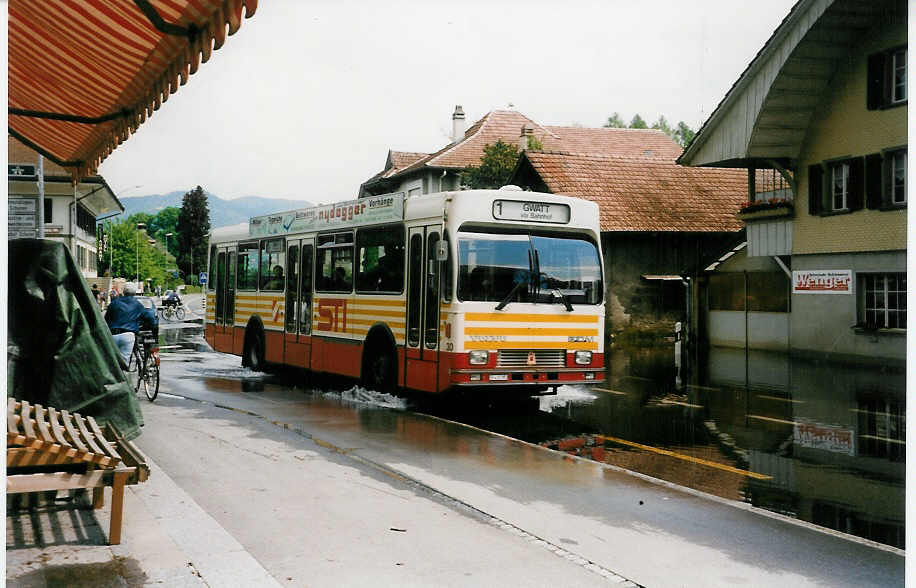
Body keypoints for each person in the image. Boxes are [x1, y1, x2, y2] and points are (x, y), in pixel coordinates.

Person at [105, 282, 158, 367]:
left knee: (111, 361)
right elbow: (149, 318)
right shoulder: (138, 305)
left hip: (112, 335)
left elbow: (106, 319)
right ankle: (124, 376)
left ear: (124, 292)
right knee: (124, 363)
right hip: (128, 335)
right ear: (134, 292)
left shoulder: (114, 303)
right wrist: (153, 325)